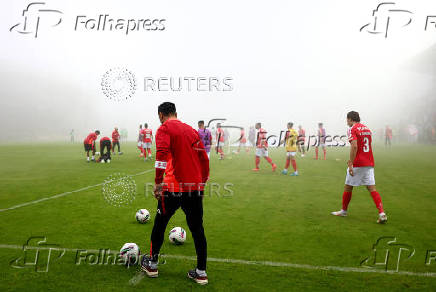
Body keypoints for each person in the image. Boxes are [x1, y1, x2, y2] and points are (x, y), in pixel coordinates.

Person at [141, 102, 209, 285]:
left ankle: (152, 264)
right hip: (193, 188)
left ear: (161, 115)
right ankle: (201, 272)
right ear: (176, 113)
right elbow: (203, 159)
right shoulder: (191, 131)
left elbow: (161, 154)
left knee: (160, 224)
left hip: (172, 187)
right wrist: (201, 185)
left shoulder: (164, 128)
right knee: (197, 229)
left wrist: (157, 182)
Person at [331, 111, 387, 224]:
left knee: (348, 187)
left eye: (347, 119)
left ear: (351, 119)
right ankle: (382, 213)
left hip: (358, 163)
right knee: (372, 189)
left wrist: (351, 163)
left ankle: (344, 211)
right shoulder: (367, 129)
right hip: (369, 162)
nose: (346, 122)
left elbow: (354, 146)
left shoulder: (352, 129)